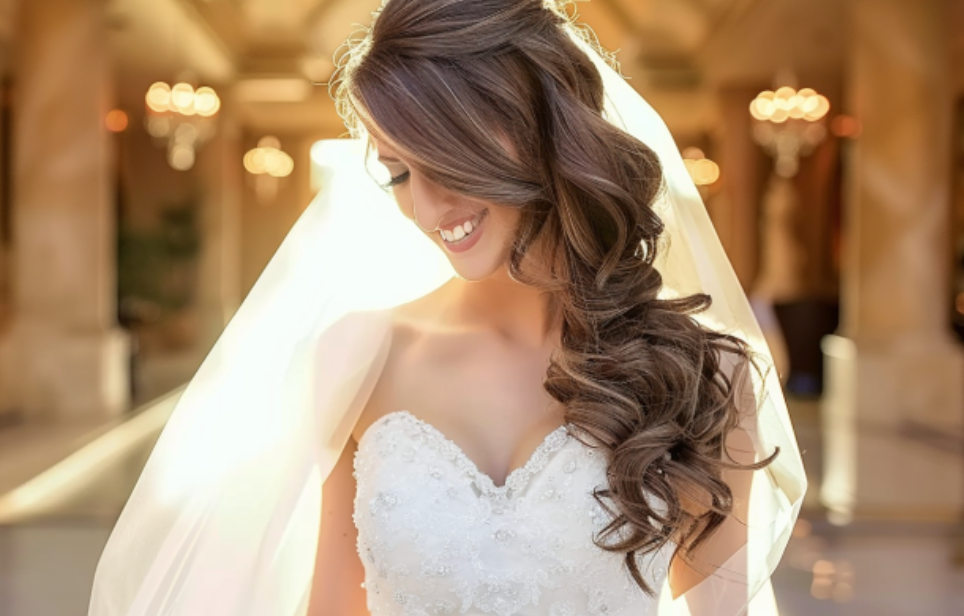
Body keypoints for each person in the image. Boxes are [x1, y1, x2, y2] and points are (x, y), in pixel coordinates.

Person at [88, 1, 806, 615]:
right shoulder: (362, 354)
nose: (427, 207)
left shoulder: (703, 372)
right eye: (398, 172)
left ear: (540, 125)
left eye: (447, 156)